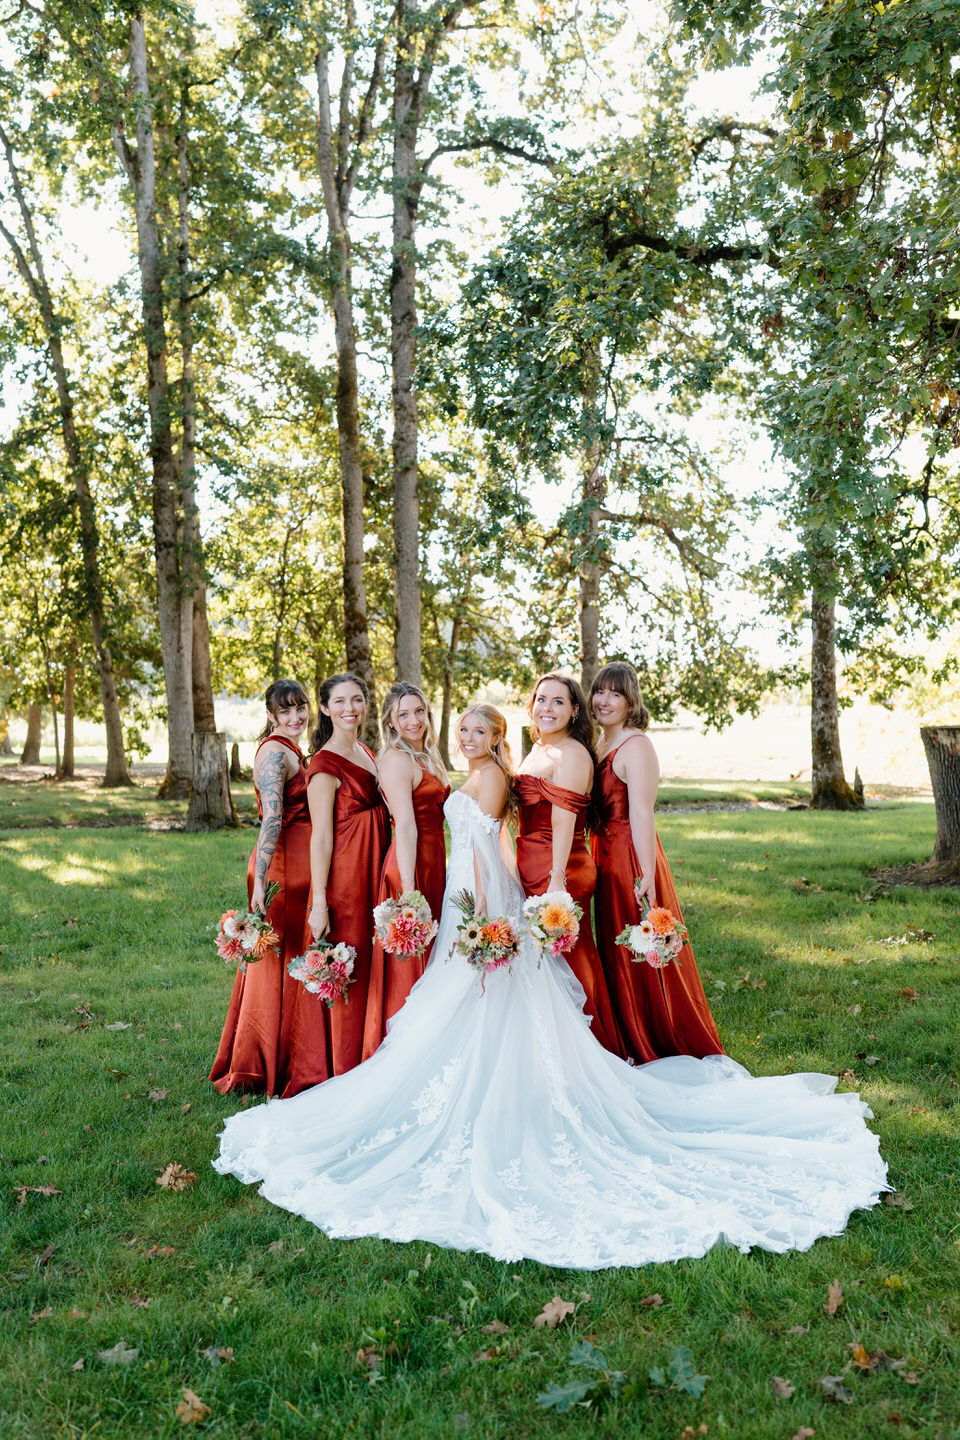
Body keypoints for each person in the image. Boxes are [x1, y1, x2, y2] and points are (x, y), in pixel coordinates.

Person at [214, 702, 887, 1269]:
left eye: (480, 731)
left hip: (472, 890)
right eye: (464, 730)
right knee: (454, 997)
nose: (467, 738)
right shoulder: (465, 770)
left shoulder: (488, 778)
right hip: (462, 891)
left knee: (475, 993)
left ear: (497, 738)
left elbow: (484, 843)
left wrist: (464, 903)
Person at [591, 661, 724, 1062]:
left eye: (615, 693)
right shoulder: (599, 744)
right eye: (599, 691)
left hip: (632, 856)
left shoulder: (637, 746)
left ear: (631, 702)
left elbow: (643, 811)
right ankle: (626, 1033)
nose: (604, 700)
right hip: (603, 858)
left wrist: (646, 872)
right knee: (617, 949)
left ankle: (658, 1038)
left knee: (640, 946)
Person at [280, 672, 389, 1097]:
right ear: (325, 708)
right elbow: (321, 836)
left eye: (357, 699)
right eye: (340, 702)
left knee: (373, 956)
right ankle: (340, 1062)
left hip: (375, 864)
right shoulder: (324, 763)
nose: (350, 708)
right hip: (345, 873)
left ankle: (370, 1051)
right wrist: (319, 902)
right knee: (351, 959)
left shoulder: (364, 749)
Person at [209, 679, 311, 1096]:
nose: (295, 717)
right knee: (276, 966)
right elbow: (271, 818)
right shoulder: (273, 752)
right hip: (282, 867)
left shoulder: (291, 748)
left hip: (300, 866)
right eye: (285, 711)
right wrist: (262, 884)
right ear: (270, 715)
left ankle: (291, 1053)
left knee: (295, 962)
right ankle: (262, 1063)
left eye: (300, 708)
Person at [514, 672, 624, 1056]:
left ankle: (586, 1052)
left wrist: (556, 880)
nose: (547, 708)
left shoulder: (572, 753)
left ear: (575, 710)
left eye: (558, 702)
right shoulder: (539, 748)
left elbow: (563, 819)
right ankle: (544, 1050)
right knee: (540, 965)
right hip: (531, 863)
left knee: (567, 962)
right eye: (541, 699)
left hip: (558, 867)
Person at [361, 683, 449, 1059]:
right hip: (410, 865)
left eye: (419, 711)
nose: (414, 720)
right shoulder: (397, 759)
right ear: (391, 722)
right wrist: (411, 890)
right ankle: (408, 1051)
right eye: (404, 714)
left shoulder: (427, 755)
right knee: (412, 956)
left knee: (433, 953)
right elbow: (406, 825)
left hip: (434, 860)